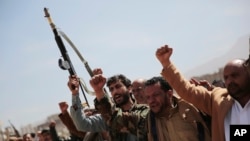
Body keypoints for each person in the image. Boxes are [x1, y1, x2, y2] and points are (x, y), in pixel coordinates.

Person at [155, 44, 250, 141]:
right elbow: (187, 90)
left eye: (235, 75)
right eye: (226, 78)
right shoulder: (219, 100)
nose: (229, 81)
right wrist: (167, 64)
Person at [69, 70, 149, 141]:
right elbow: (82, 124)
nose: (115, 91)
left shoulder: (144, 111)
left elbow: (117, 118)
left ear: (129, 88)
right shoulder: (108, 117)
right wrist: (75, 94)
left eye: (118, 86)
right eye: (111, 89)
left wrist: (99, 91)